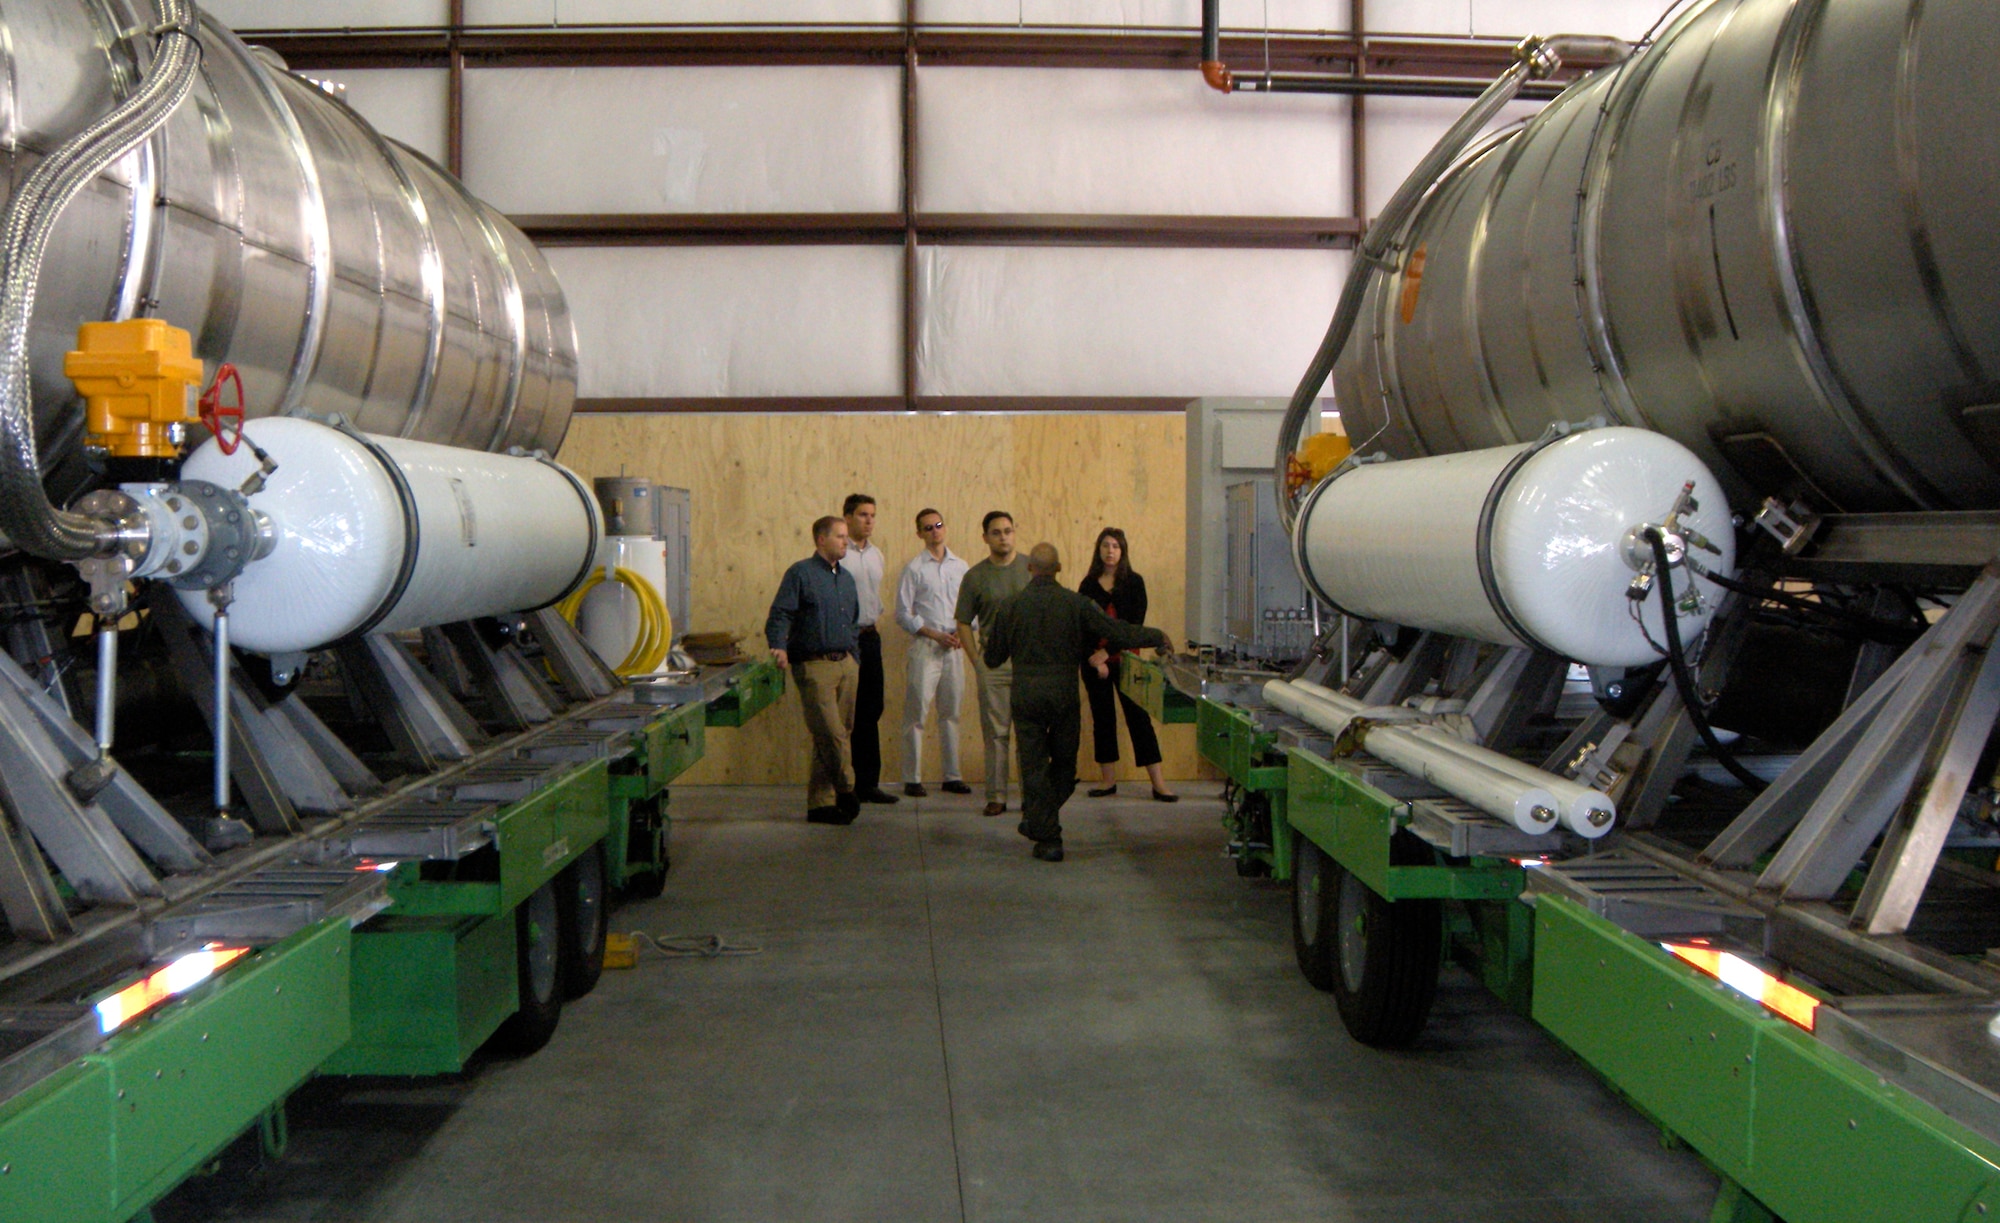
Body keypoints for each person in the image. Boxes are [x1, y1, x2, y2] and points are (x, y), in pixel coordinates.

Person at [983, 543, 1168, 862]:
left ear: (1030, 568)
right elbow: (1117, 631)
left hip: (1026, 695)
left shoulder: (1010, 606)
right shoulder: (1076, 604)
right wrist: (1156, 636)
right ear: (1058, 568)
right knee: (1065, 765)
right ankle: (1044, 827)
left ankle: (1046, 832)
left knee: (1034, 765)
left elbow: (993, 657)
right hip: (1063, 694)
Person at [765, 515, 861, 825]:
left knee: (836, 734)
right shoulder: (801, 574)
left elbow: (853, 620)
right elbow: (780, 613)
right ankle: (847, 790)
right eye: (840, 536)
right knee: (831, 734)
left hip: (846, 663)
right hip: (814, 664)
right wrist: (778, 645)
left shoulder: (846, 579)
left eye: (846, 537)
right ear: (821, 540)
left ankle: (820, 804)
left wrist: (854, 657)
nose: (846, 541)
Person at [1079, 527, 1176, 802]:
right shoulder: (1088, 584)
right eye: (1106, 545)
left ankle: (1159, 784)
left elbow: (1133, 627)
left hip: (1126, 660)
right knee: (1103, 720)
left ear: (1123, 552)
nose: (1110, 551)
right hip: (1094, 663)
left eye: (1116, 546)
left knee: (1139, 720)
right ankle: (1108, 782)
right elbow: (1082, 627)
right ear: (1099, 550)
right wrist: (1095, 659)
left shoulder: (1134, 582)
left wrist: (1108, 653)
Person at [954, 511, 1031, 817]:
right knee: (996, 734)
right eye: (996, 532)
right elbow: (962, 622)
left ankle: (1031, 796)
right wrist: (977, 662)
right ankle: (997, 796)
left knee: (1029, 734)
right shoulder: (975, 576)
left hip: (1029, 665)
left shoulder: (1032, 570)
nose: (1004, 537)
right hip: (994, 666)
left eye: (1008, 531)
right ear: (985, 537)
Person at [895, 508, 971, 798]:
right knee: (917, 712)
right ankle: (912, 777)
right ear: (919, 534)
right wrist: (932, 633)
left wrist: (962, 633)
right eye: (927, 528)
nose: (934, 531)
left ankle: (952, 776)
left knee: (951, 712)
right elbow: (902, 613)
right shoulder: (914, 568)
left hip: (954, 646)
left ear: (945, 527)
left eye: (938, 525)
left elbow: (970, 609)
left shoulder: (961, 567)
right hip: (926, 646)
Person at [838, 493, 897, 805]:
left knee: (871, 709)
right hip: (846, 640)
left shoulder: (877, 555)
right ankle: (843, 784)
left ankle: (868, 783)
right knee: (845, 713)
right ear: (847, 518)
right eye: (863, 515)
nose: (869, 520)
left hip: (871, 637)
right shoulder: (839, 554)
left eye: (873, 515)